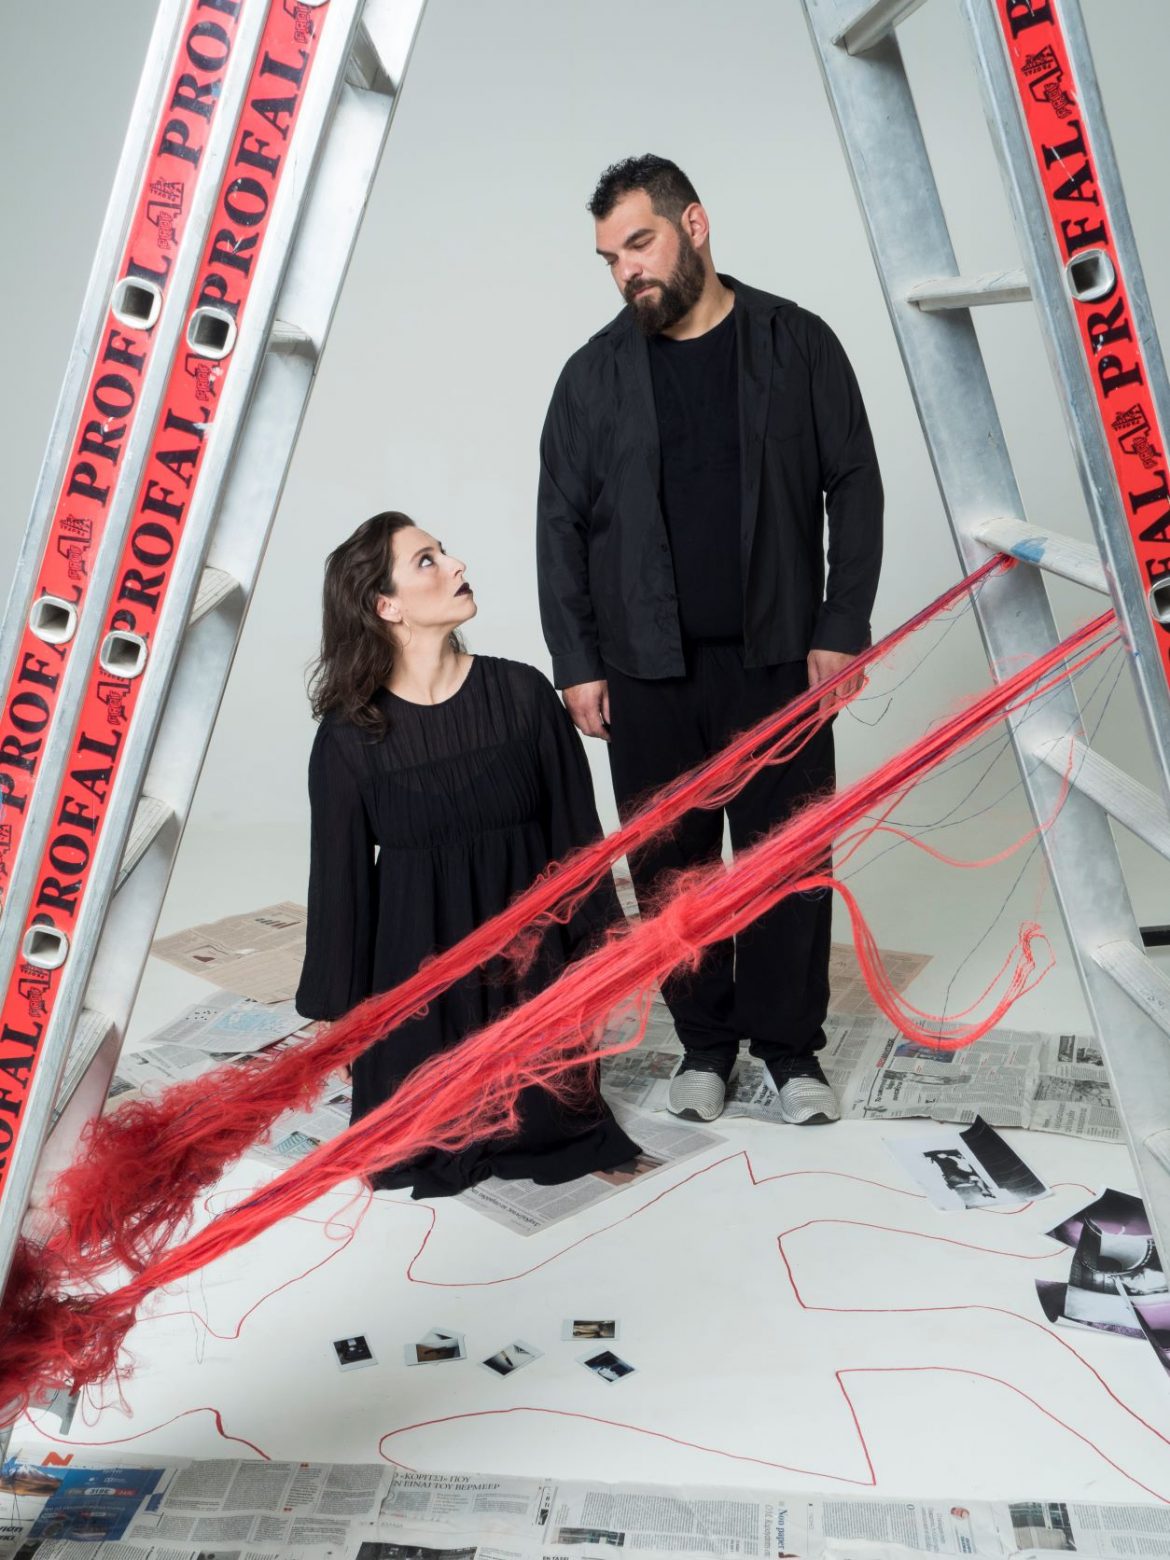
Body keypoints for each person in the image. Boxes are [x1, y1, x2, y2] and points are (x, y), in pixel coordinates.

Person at [537, 155, 883, 1126]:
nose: (626, 272)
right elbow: (559, 524)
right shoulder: (592, 376)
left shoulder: (796, 342)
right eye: (610, 258)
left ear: (694, 225)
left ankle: (790, 1052)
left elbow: (854, 480)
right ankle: (704, 1045)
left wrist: (841, 625)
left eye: (639, 244)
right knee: (671, 872)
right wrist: (577, 662)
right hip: (644, 672)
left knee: (789, 861)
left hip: (780, 658)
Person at [294, 511, 640, 1196]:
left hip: (529, 978)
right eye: (427, 560)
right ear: (385, 605)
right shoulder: (348, 737)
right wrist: (341, 1019)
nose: (456, 566)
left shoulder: (522, 694)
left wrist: (602, 959)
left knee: (551, 1123)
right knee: (410, 1139)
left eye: (445, 552)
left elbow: (577, 841)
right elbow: (340, 888)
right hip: (420, 988)